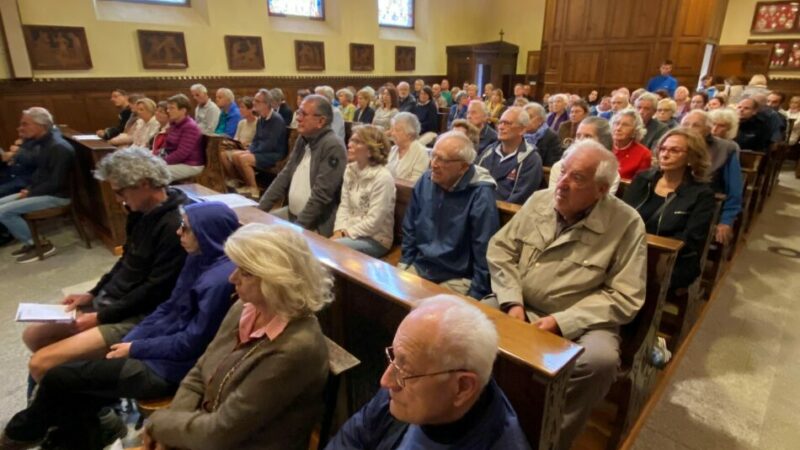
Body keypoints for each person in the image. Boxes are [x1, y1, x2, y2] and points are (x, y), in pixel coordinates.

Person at [0, 202, 239, 450]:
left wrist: (136, 347)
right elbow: (168, 307)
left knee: (58, 377)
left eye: (186, 228)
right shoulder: (198, 258)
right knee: (75, 392)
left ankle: (21, 434)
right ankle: (67, 440)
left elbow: (192, 343)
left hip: (170, 368)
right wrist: (131, 339)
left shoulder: (219, 281)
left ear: (207, 232)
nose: (179, 233)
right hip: (157, 348)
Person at [486, 139, 647, 450]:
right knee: (468, 326)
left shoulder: (626, 224)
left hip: (585, 320)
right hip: (520, 302)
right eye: (563, 172)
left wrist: (562, 321)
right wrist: (512, 301)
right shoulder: (540, 201)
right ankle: (484, 422)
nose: (562, 184)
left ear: (601, 189)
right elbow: (501, 249)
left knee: (598, 362)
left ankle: (549, 437)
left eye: (577, 178)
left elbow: (625, 295)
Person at [139, 224, 332, 450]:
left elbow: (219, 433)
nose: (232, 278)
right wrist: (170, 432)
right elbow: (199, 373)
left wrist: (159, 424)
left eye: (245, 272)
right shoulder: (244, 307)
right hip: (208, 432)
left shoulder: (296, 348)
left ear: (277, 281)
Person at [22, 148, 186, 384]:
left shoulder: (174, 225)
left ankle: (101, 414)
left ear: (144, 183)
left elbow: (155, 289)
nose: (119, 200)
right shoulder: (139, 212)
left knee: (41, 364)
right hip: (115, 302)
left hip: (139, 314)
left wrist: (101, 316)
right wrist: (92, 293)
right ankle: (87, 392)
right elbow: (126, 261)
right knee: (34, 336)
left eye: (120, 192)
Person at [326, 295, 531, 450]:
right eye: (394, 357)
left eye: (405, 368)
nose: (386, 381)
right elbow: (350, 439)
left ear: (462, 388)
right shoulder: (405, 388)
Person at [399, 131, 499, 299]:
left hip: (458, 276)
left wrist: (476, 293)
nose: (434, 164)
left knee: (432, 315)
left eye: (442, 160)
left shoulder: (480, 194)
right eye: (433, 156)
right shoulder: (426, 180)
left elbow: (484, 248)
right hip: (422, 264)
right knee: (392, 298)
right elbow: (410, 226)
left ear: (463, 167)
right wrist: (405, 261)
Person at [623, 128, 715, 290]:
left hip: (671, 259)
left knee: (632, 280)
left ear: (691, 157)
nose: (665, 155)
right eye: (663, 149)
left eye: (674, 150)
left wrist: (649, 249)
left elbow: (691, 240)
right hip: (630, 250)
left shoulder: (701, 194)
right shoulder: (643, 179)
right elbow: (622, 216)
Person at [259, 95, 346, 237]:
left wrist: (297, 228)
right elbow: (284, 176)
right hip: (292, 213)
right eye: (299, 113)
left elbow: (322, 195)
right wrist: (260, 209)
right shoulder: (304, 138)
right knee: (254, 228)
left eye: (304, 114)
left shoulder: (333, 145)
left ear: (321, 121)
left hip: (316, 223)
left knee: (271, 242)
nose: (298, 118)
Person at [0, 108, 74, 263]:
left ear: (41, 125)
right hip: (40, 191)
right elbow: (40, 174)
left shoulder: (58, 147)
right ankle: (29, 241)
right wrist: (29, 189)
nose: (21, 128)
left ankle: (40, 244)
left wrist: (30, 192)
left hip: (57, 196)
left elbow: (57, 183)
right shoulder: (42, 143)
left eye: (25, 124)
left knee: (3, 212)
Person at [333, 125, 395, 258]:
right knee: (321, 244)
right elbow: (344, 205)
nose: (349, 144)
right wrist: (339, 229)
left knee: (331, 248)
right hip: (349, 232)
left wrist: (344, 234)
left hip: (375, 239)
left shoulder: (382, 177)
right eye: (351, 140)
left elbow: (374, 222)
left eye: (357, 142)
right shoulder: (350, 170)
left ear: (370, 151)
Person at [682, 110, 743, 245]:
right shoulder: (672, 144)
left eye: (696, 125)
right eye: (686, 124)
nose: (690, 129)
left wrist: (726, 221)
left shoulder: (726, 148)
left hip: (704, 206)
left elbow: (734, 190)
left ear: (708, 129)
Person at [223, 89, 287, 199]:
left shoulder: (276, 120)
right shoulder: (262, 118)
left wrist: (252, 151)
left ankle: (254, 189)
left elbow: (270, 144)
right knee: (235, 155)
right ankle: (244, 183)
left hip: (274, 154)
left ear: (266, 104)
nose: (254, 103)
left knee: (243, 158)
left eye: (257, 101)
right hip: (263, 151)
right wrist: (250, 149)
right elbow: (257, 138)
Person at [476, 107, 542, 204]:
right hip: (478, 206)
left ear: (522, 130)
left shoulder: (531, 159)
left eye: (507, 123)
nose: (501, 127)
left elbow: (520, 197)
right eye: (500, 122)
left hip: (506, 213)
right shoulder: (488, 151)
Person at [548, 116, 621, 194]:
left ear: (603, 141)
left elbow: (603, 203)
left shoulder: (611, 173)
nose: (581, 141)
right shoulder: (559, 167)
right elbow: (552, 199)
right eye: (578, 136)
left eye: (588, 136)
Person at [160, 94, 205, 181]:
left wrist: (161, 162)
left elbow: (182, 153)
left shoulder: (190, 127)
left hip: (190, 164)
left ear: (183, 110)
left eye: (172, 108)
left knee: (155, 172)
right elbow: (166, 147)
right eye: (168, 108)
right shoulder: (174, 124)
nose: (168, 111)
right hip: (177, 162)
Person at [387, 112, 430, 182]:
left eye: (397, 130)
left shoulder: (420, 153)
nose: (392, 133)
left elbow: (415, 182)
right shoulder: (393, 149)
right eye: (392, 130)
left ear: (409, 134)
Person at [611, 109, 651, 179]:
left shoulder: (643, 154)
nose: (618, 128)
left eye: (625, 125)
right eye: (616, 123)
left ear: (635, 130)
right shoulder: (602, 146)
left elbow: (639, 184)